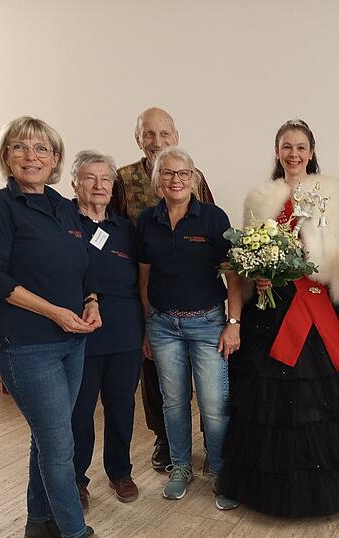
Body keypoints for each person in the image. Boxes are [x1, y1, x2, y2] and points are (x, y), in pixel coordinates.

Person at [216, 119, 339, 517]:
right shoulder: (259, 198)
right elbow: (247, 255)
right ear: (277, 151)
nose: (293, 154)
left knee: (327, 398)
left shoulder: (336, 192)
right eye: (286, 146)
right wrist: (259, 273)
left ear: (312, 151)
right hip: (273, 310)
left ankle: (334, 485)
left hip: (319, 306)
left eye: (301, 146)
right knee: (272, 403)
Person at [0, 116, 99, 538]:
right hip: (25, 343)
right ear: (7, 155)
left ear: (55, 160)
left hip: (72, 339)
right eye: (21, 147)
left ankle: (38, 522)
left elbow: (82, 266)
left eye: (42, 149)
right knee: (59, 442)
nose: (32, 156)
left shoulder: (65, 209)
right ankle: (72, 533)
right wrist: (53, 312)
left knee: (50, 434)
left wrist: (90, 302)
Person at [136, 145, 242, 509]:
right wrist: (149, 324)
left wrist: (233, 322)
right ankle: (180, 467)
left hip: (209, 324)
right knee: (174, 402)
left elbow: (233, 276)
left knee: (214, 404)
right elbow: (144, 276)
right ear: (157, 181)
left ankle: (221, 470)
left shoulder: (213, 218)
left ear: (194, 178)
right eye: (167, 173)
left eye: (183, 173)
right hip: (163, 327)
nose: (176, 179)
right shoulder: (147, 221)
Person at [112, 107, 215, 472]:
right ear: (138, 138)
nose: (157, 141)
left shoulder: (193, 175)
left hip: (198, 297)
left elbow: (213, 227)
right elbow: (108, 230)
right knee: (155, 371)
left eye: (164, 134)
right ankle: (165, 440)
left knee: (208, 380)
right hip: (145, 292)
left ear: (176, 135)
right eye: (149, 134)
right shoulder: (121, 179)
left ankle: (212, 442)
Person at [70, 150, 143, 511]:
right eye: (90, 178)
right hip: (79, 332)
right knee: (80, 410)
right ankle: (76, 478)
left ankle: (119, 470)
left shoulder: (126, 229)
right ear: (75, 183)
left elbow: (141, 280)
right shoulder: (63, 222)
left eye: (105, 180)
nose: (99, 186)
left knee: (121, 405)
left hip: (125, 332)